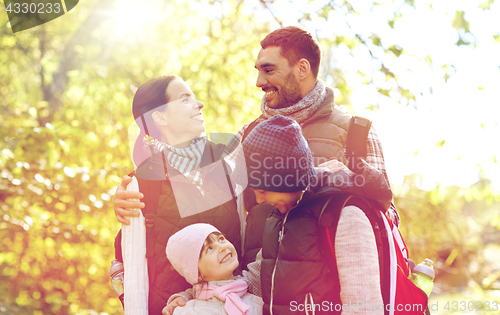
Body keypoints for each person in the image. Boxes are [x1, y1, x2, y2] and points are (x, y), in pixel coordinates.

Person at [114, 25, 398, 268]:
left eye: (269, 70)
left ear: (302, 69)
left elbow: (386, 220)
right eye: (258, 70)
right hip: (258, 296)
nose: (259, 81)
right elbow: (193, 193)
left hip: (332, 293)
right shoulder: (246, 136)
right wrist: (132, 197)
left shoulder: (356, 133)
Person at [166, 115, 391, 314]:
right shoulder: (279, 219)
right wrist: (190, 298)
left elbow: (363, 307)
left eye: (262, 190)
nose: (260, 200)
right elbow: (248, 281)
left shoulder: (346, 215)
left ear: (287, 180)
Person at [113, 75, 241, 315]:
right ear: (160, 117)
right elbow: (132, 270)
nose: (199, 103)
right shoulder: (139, 184)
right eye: (185, 99)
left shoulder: (228, 162)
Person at [164, 223, 263, 315]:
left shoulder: (258, 302)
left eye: (220, 239)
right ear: (197, 274)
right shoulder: (186, 312)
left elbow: (267, 257)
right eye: (209, 249)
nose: (222, 247)